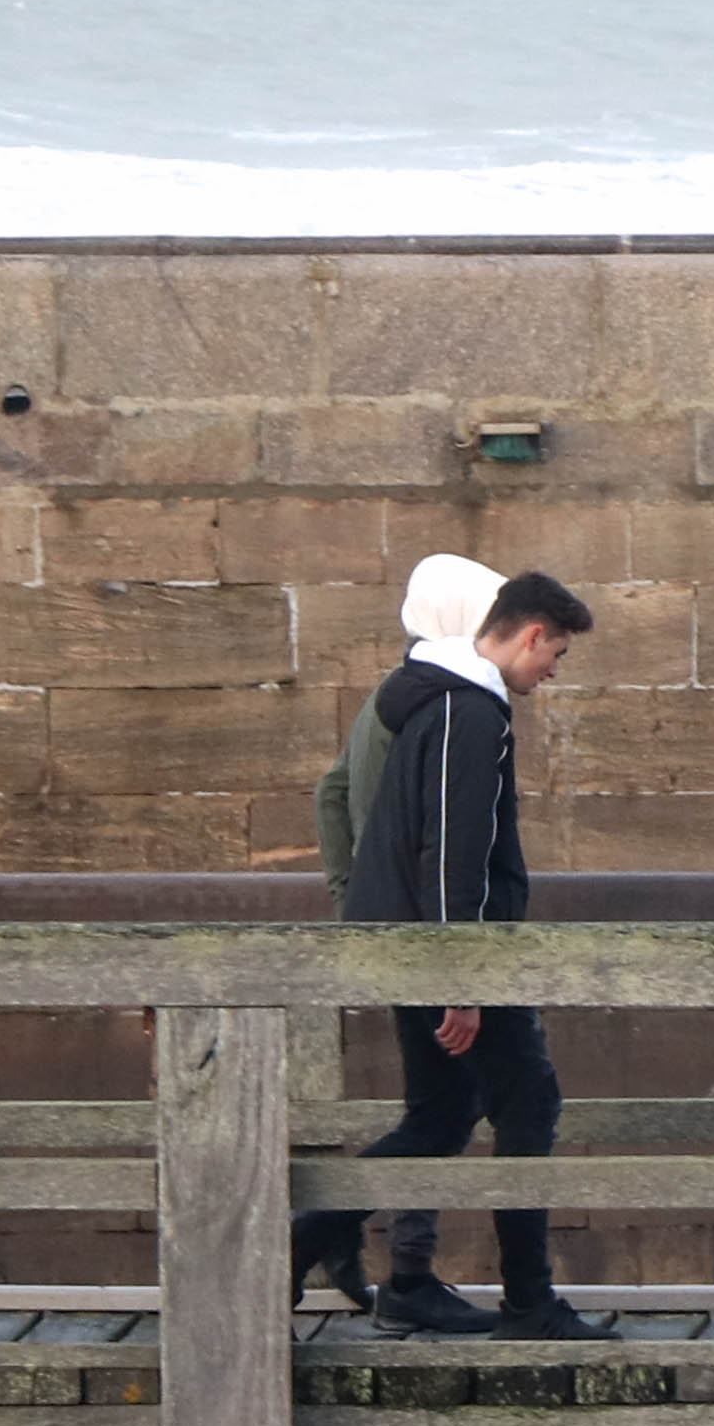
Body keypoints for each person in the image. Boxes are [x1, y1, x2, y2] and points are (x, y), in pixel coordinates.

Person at [295, 553, 603, 1338]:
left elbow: (344, 803)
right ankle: (530, 1302)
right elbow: (451, 854)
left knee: (440, 1117)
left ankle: (292, 1248)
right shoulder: (470, 712)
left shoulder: (424, 700)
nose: (554, 671)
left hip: (418, 946)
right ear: (530, 634)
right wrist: (458, 979)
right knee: (528, 1101)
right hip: (452, 953)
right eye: (557, 653)